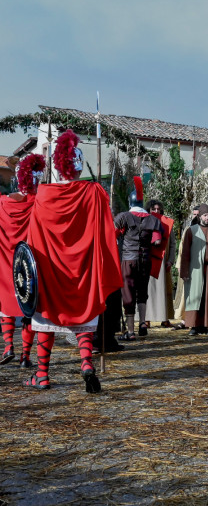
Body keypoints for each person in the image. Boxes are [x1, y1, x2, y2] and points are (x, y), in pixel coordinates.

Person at [25, 129, 123, 392]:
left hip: (51, 270)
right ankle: (86, 364)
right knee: (85, 314)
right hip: (82, 269)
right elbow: (106, 230)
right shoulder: (93, 192)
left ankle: (42, 375)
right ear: (79, 168)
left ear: (58, 167)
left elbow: (33, 238)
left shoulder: (44, 195)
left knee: (46, 316)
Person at [0, 154, 45, 367]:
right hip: (30, 260)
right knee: (29, 307)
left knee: (7, 302)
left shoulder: (2, 203)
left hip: (6, 259)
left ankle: (8, 345)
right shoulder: (40, 203)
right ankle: (26, 356)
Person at [114, 177, 162, 341]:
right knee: (142, 291)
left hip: (129, 259)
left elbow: (112, 235)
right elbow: (157, 240)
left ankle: (131, 331)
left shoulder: (124, 216)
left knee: (128, 293)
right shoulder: (154, 219)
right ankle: (142, 323)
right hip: (145, 260)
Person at [178, 204, 208, 336]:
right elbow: (185, 253)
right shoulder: (192, 230)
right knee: (195, 298)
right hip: (195, 270)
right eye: (205, 215)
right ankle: (194, 326)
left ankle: (206, 326)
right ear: (200, 216)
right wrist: (184, 271)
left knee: (207, 298)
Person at [145, 199, 176, 328]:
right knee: (148, 290)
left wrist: (170, 260)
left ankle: (164, 318)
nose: (156, 211)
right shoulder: (145, 221)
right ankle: (146, 318)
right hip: (149, 260)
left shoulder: (167, 223)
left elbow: (173, 244)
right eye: (154, 209)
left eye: (158, 209)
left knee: (163, 290)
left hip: (163, 263)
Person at [172, 204, 200, 331]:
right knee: (186, 295)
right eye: (194, 214)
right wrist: (180, 265)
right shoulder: (188, 229)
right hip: (188, 267)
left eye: (197, 214)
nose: (195, 216)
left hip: (200, 268)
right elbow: (182, 249)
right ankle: (184, 320)